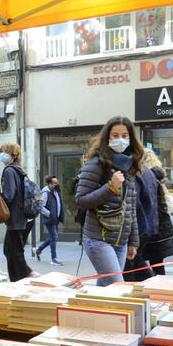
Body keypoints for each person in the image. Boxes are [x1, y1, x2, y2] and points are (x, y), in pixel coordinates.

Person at [74, 115, 141, 287]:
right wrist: (110, 187)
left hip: (121, 241)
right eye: (115, 135)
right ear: (107, 137)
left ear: (130, 138)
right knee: (117, 287)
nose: (120, 140)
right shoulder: (96, 163)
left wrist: (133, 242)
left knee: (106, 288)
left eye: (124, 136)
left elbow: (130, 208)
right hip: (98, 239)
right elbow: (81, 200)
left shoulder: (130, 166)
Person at [138, 151, 173, 276]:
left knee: (137, 259)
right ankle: (159, 286)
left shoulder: (146, 177)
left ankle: (150, 285)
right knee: (157, 262)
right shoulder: (158, 177)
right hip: (160, 224)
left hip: (148, 223)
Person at [123, 149, 161, 282]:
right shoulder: (147, 171)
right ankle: (151, 288)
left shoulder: (134, 172)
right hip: (147, 225)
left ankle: (146, 291)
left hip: (138, 225)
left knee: (129, 267)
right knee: (136, 262)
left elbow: (133, 204)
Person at [0, 142, 36, 281]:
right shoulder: (20, 170)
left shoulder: (9, 171)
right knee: (12, 250)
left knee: (13, 251)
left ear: (13, 155)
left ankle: (23, 276)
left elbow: (9, 195)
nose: (1, 154)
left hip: (15, 218)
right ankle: (22, 276)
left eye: (4, 151)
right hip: (25, 218)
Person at [35, 175, 65, 265]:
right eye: (55, 183)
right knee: (54, 237)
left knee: (53, 237)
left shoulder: (56, 191)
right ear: (50, 184)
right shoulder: (45, 192)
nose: (57, 184)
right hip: (50, 219)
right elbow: (40, 207)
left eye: (57, 182)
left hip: (55, 219)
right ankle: (54, 258)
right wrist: (50, 214)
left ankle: (38, 250)